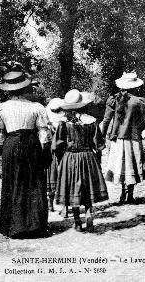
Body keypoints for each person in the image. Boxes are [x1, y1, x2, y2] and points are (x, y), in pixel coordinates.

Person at [0, 67, 51, 238]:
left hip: (11, 146)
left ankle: (14, 226)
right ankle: (34, 225)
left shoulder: (2, 108)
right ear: (25, 88)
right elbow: (44, 133)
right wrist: (44, 152)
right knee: (33, 182)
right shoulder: (36, 107)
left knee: (13, 182)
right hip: (32, 145)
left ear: (8, 90)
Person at [53, 89, 108, 232]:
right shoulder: (91, 121)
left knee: (72, 187)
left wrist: (61, 157)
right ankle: (89, 214)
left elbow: (57, 145)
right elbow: (99, 144)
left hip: (70, 157)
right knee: (87, 185)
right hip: (87, 156)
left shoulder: (63, 123)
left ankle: (77, 221)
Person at [100, 72, 145, 204]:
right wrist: (138, 130)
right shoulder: (139, 101)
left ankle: (122, 193)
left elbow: (106, 120)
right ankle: (130, 195)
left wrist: (102, 136)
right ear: (135, 87)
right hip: (133, 137)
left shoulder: (113, 100)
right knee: (132, 164)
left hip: (117, 138)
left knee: (120, 165)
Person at [45, 98, 66, 212]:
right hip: (62, 152)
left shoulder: (47, 122)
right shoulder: (65, 122)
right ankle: (63, 206)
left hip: (52, 152)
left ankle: (50, 203)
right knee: (63, 176)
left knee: (52, 176)